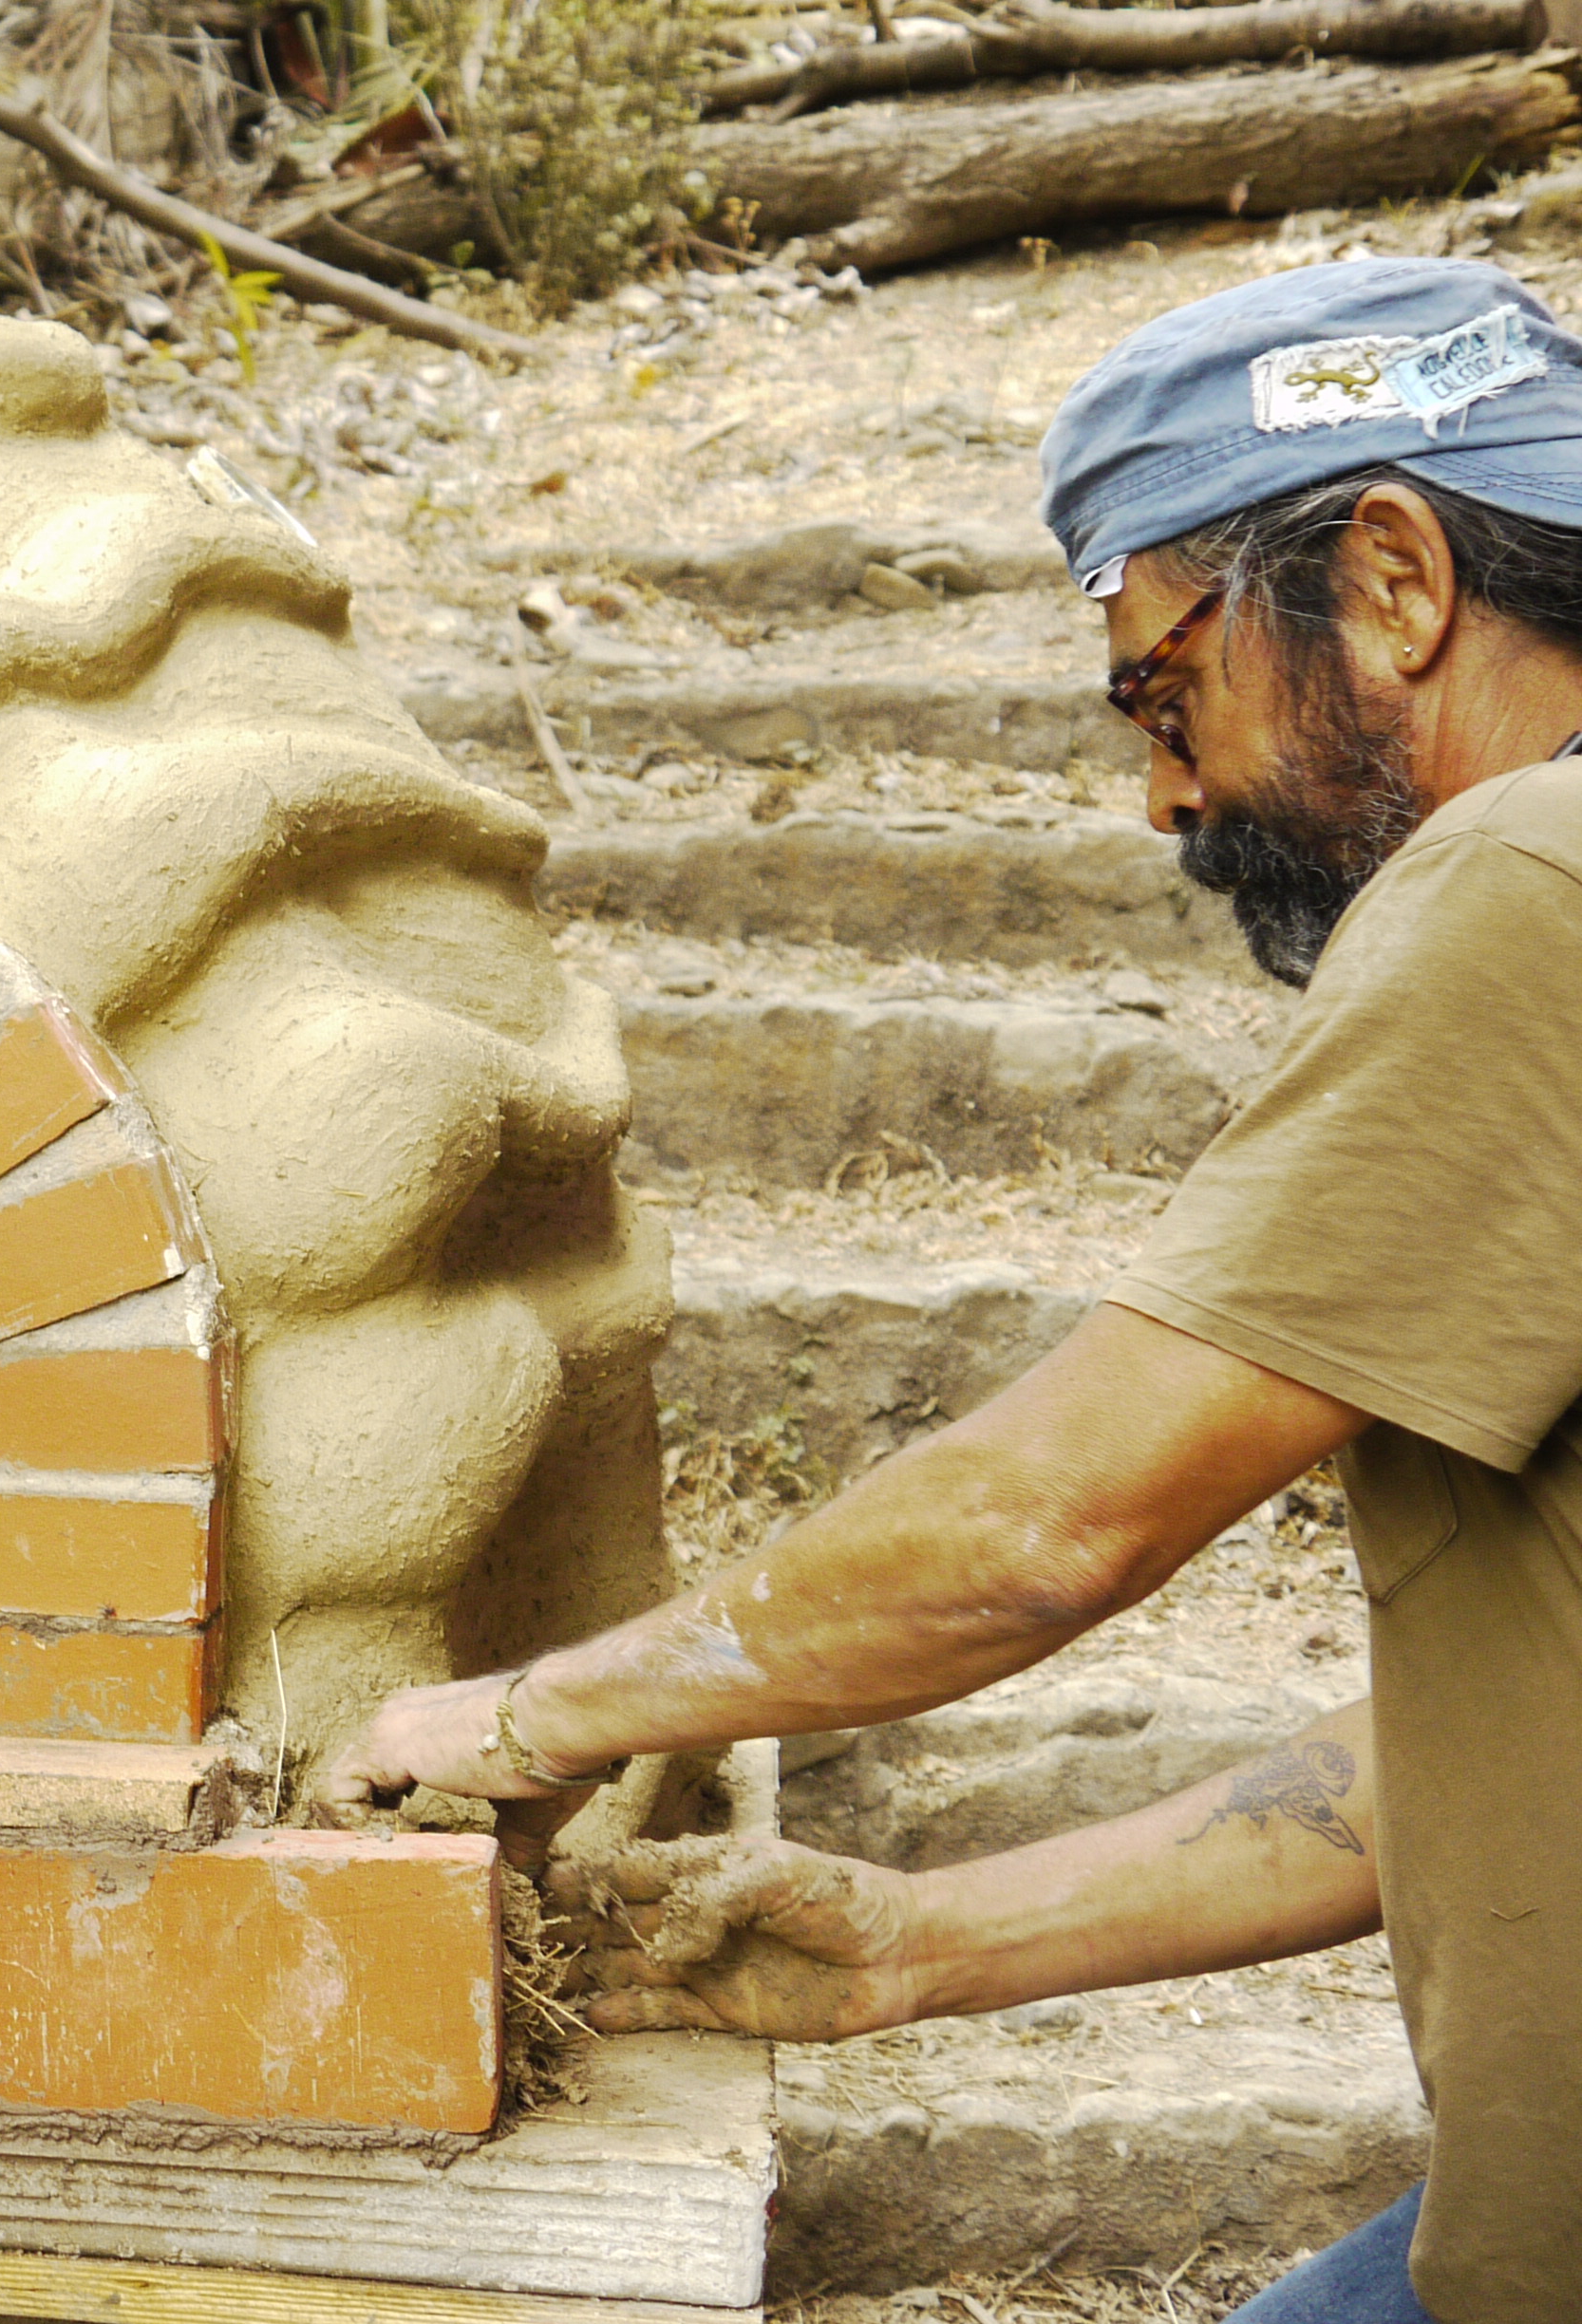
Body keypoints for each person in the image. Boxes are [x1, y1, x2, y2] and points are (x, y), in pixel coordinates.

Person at [322, 255, 1582, 2324]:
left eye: (1164, 691)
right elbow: (1472, 1758)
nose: (1168, 794)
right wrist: (925, 1942)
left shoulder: (1528, 876)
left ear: (1392, 581)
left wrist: (537, 1713)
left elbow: (1049, 1527)